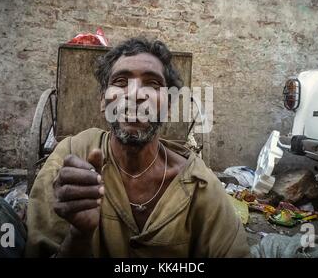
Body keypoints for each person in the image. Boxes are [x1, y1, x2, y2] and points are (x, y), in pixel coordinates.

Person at [24, 37, 250, 257]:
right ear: (103, 101)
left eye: (152, 84)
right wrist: (79, 235)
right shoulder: (72, 155)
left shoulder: (200, 185)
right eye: (121, 82)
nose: (134, 95)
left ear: (169, 106)